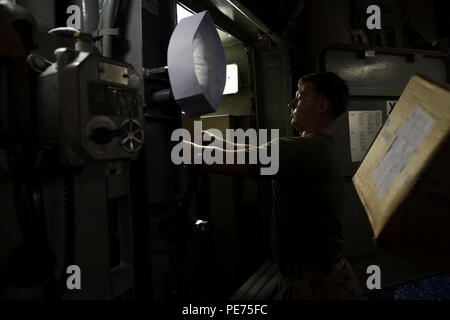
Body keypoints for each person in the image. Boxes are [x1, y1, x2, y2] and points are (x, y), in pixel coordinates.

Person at [185, 72, 362, 300]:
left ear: (322, 105)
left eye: (299, 96)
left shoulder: (303, 150)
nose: (291, 103)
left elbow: (217, 159)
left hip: (316, 285)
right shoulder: (317, 148)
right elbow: (248, 153)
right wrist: (211, 140)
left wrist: (168, 142)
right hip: (322, 277)